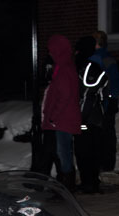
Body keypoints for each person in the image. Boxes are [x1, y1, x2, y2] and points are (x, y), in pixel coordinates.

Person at [33, 34, 81, 191]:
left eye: (52, 50)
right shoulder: (63, 67)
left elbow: (64, 95)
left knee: (63, 154)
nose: (50, 53)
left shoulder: (64, 69)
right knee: (59, 153)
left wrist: (53, 116)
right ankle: (62, 187)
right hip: (59, 121)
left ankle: (66, 188)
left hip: (61, 121)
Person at [74, 35, 111, 194]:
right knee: (87, 151)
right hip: (91, 117)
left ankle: (90, 183)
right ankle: (90, 182)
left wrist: (80, 118)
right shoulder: (86, 66)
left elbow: (88, 96)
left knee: (86, 151)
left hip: (90, 118)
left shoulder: (89, 68)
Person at [91, 30, 119, 174]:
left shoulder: (96, 59)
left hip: (101, 102)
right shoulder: (109, 58)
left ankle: (101, 162)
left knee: (100, 133)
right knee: (109, 132)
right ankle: (108, 163)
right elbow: (116, 82)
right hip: (110, 100)